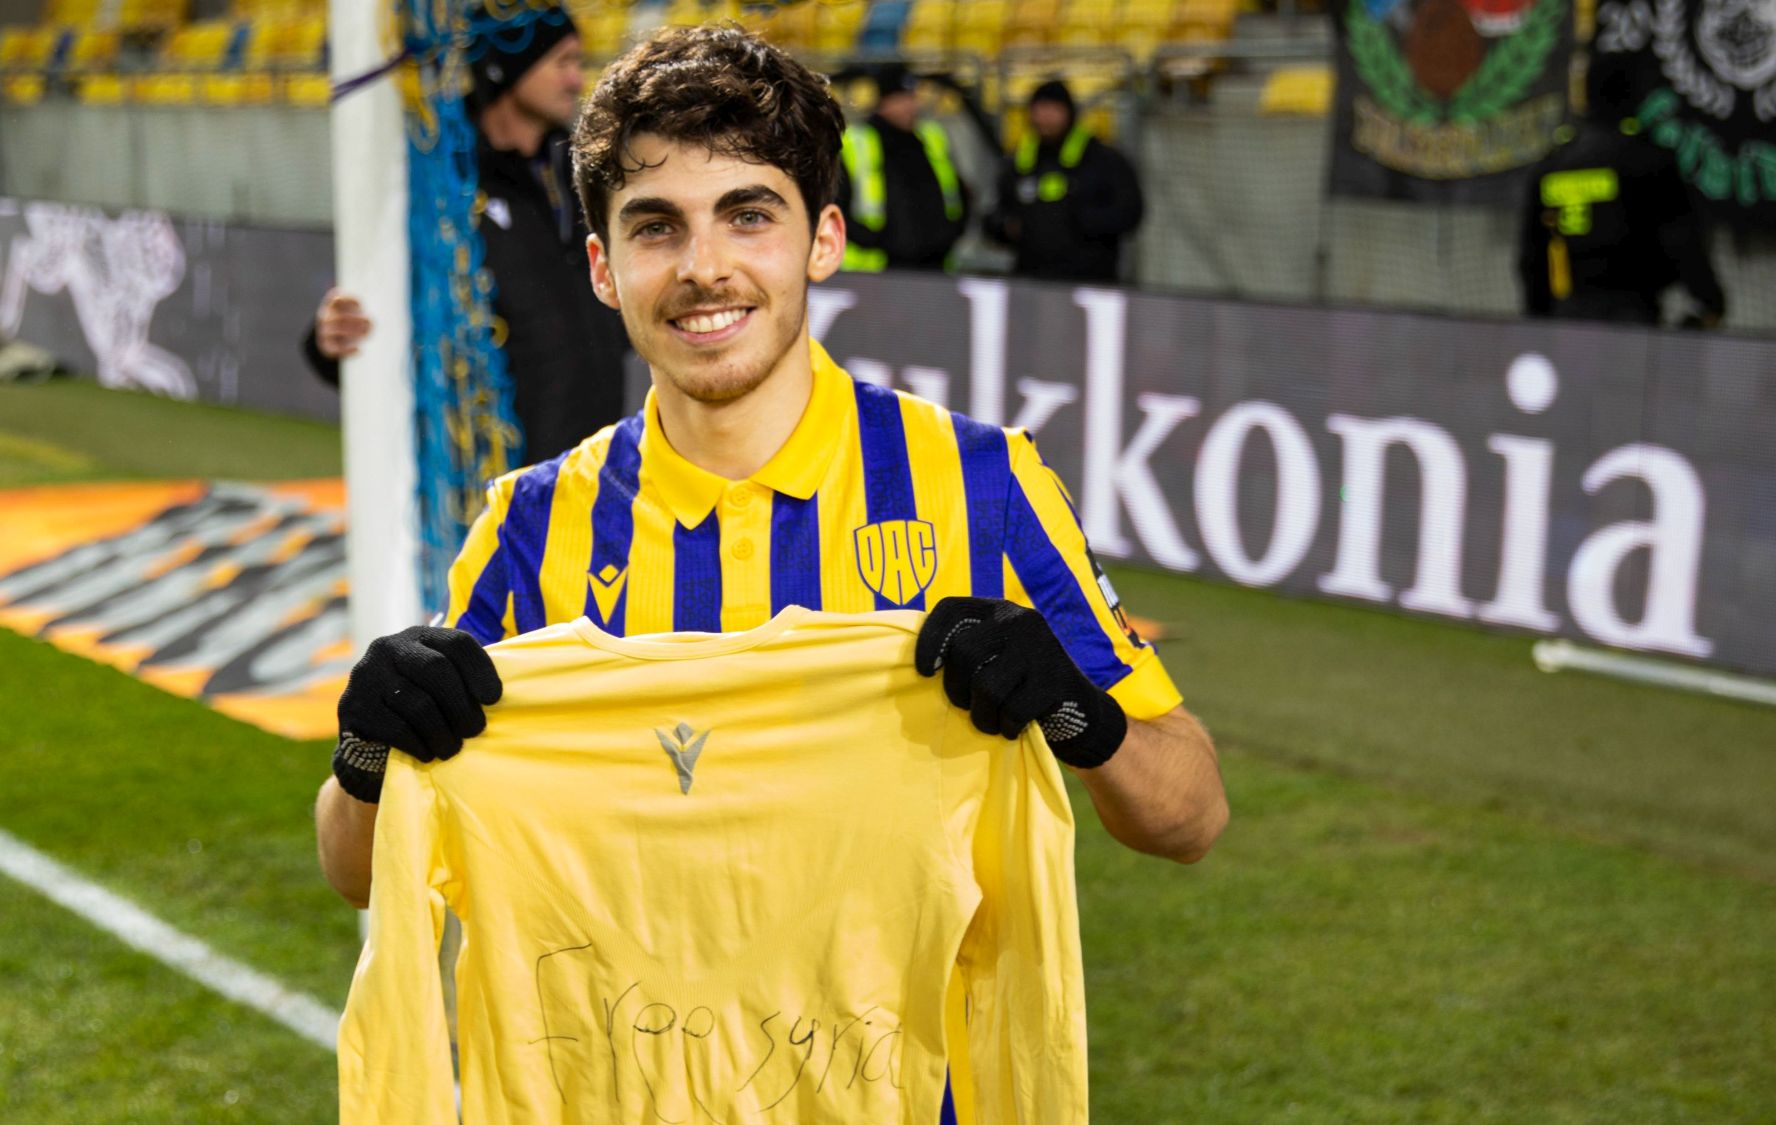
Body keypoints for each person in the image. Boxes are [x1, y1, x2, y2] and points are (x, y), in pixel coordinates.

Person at [319, 24, 1228, 1112]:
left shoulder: (979, 483)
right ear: (603, 268)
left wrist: (1076, 709)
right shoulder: (532, 523)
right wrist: (366, 751)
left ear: (822, 240)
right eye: (656, 227)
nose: (703, 267)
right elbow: (355, 866)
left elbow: (1189, 817)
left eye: (748, 215)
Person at [304, 2, 630, 464]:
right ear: (508, 67)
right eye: (562, 62)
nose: (577, 80)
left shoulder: (581, 175)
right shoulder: (440, 190)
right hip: (498, 480)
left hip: (595, 470)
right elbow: (380, 315)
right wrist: (331, 340)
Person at [1517, 60, 1725, 329]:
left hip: (1568, 315)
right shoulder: (1645, 159)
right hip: (1632, 314)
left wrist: (1537, 318)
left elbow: (1531, 255)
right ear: (1633, 94)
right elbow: (1681, 239)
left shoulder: (1553, 164)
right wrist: (1710, 300)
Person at [987, 79, 1145, 284]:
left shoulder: (1102, 159)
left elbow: (1129, 212)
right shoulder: (1020, 161)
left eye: (1053, 109)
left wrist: (1076, 221)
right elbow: (995, 214)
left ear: (1069, 113)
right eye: (1040, 109)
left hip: (1089, 280)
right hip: (1031, 280)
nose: (1045, 117)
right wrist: (1008, 227)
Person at [835, 62, 969, 272]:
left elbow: (958, 191)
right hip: (876, 269)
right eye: (901, 99)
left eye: (912, 97)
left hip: (935, 265)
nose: (910, 106)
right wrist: (869, 239)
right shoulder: (857, 142)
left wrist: (951, 233)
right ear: (883, 102)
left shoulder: (931, 137)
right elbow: (835, 203)